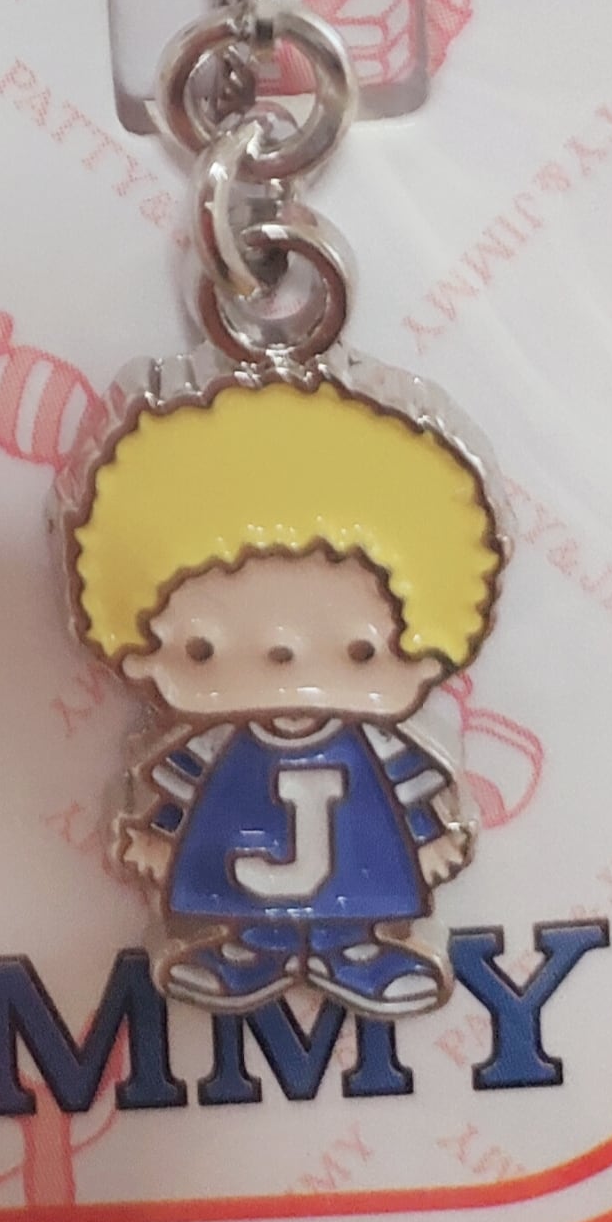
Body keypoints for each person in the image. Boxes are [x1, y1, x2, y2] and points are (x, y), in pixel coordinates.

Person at [67, 370, 503, 1015]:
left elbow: (416, 792)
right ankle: (248, 952)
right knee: (244, 925)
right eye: (204, 649)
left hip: (364, 877)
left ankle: (356, 954)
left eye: (358, 650)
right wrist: (154, 842)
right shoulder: (208, 742)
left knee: (356, 920)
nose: (281, 657)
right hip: (237, 881)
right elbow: (172, 795)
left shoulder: (379, 743)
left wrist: (435, 840)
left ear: (425, 647)